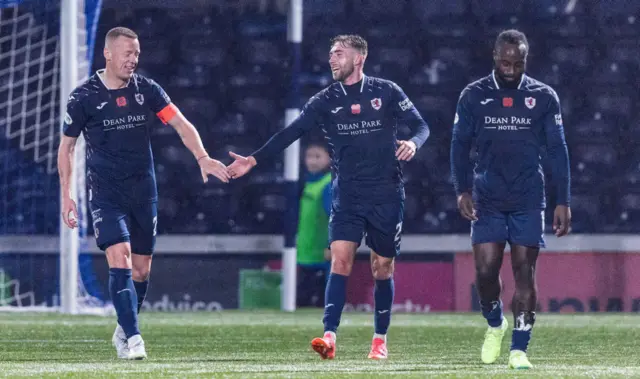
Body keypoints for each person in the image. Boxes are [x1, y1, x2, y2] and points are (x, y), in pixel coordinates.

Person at [226, 34, 430, 360]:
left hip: (386, 194)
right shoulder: (325, 99)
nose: (331, 59)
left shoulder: (387, 91)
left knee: (382, 267)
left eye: (338, 53)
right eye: (330, 54)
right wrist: (253, 159)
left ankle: (379, 339)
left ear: (359, 58)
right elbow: (291, 132)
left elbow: (422, 126)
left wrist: (414, 143)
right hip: (347, 194)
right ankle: (329, 336)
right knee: (340, 261)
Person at [57, 27, 229, 360]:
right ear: (108, 54)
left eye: (137, 53)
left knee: (141, 270)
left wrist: (203, 157)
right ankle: (134, 338)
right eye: (127, 53)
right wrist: (66, 194)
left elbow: (180, 122)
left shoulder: (146, 90)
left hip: (143, 191)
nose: (134, 59)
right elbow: (66, 148)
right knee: (118, 258)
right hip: (106, 195)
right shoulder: (83, 97)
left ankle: (124, 325)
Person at [450, 29, 571, 369]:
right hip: (487, 196)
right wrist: (461, 189)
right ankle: (494, 324)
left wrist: (564, 199)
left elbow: (558, 151)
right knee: (486, 272)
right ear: (494, 57)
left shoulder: (544, 97)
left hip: (528, 197)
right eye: (505, 62)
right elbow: (458, 146)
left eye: (518, 63)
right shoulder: (473, 95)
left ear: (525, 60)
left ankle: (519, 349)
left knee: (524, 271)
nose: (511, 68)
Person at [296, 142, 332, 308]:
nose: (312, 161)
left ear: (329, 158)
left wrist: (331, 245)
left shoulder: (329, 184)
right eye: (309, 156)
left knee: (321, 303)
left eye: (318, 156)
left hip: (322, 256)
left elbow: (335, 217)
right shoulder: (305, 182)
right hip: (305, 253)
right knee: (302, 302)